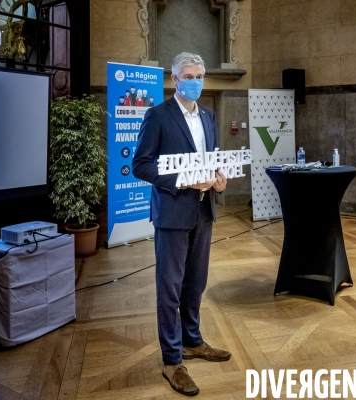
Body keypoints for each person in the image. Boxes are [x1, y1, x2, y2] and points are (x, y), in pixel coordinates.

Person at [132, 52, 230, 397]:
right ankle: (172, 360)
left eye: (200, 75)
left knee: (195, 284)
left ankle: (192, 341)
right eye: (189, 75)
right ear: (175, 79)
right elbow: (141, 165)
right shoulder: (157, 116)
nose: (196, 81)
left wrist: (220, 180)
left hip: (204, 212)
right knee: (169, 288)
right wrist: (182, 181)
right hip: (172, 213)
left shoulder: (209, 115)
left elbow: (214, 159)